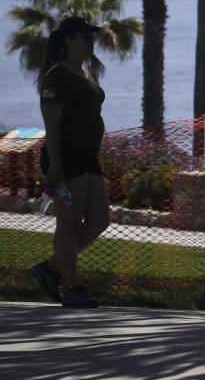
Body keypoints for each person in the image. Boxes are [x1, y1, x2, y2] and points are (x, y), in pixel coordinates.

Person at [30, 16, 111, 308]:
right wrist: (55, 165)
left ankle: (51, 268)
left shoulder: (85, 72)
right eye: (84, 36)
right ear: (67, 40)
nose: (90, 41)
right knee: (68, 223)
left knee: (100, 219)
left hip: (89, 156)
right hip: (66, 155)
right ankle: (73, 287)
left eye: (92, 37)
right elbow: (52, 125)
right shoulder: (56, 77)